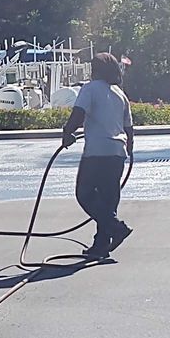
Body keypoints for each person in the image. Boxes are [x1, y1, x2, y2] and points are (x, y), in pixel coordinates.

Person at [62, 52, 134, 259]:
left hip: (97, 152)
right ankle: (101, 245)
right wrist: (130, 149)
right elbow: (128, 127)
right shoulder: (120, 93)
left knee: (84, 194)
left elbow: (78, 114)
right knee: (107, 200)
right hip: (117, 154)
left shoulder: (89, 89)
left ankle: (116, 228)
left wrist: (68, 133)